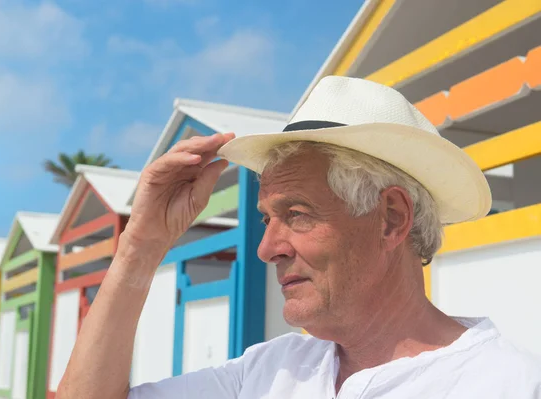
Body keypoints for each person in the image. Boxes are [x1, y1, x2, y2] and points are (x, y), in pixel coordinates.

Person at [56, 76, 541, 398]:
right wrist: (139, 247)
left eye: (298, 213)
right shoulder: (266, 371)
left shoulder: (507, 384)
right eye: (268, 218)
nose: (268, 248)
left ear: (391, 218)